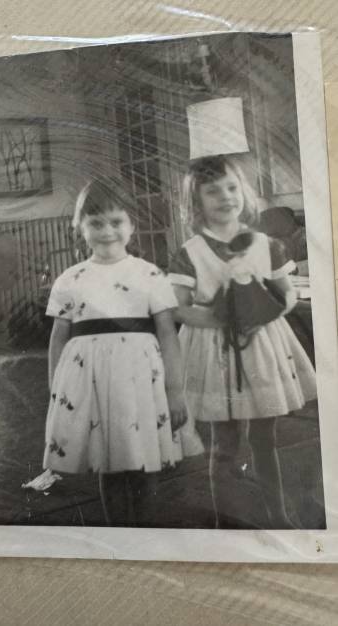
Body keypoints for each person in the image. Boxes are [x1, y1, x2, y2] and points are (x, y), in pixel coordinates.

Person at [43, 178, 203, 527]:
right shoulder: (70, 279)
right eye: (96, 223)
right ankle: (118, 533)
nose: (107, 231)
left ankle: (145, 531)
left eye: (116, 222)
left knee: (146, 461)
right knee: (110, 462)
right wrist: (57, 389)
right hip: (92, 384)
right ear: (80, 227)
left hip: (141, 382)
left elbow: (167, 334)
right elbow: (59, 337)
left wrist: (175, 390)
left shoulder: (149, 274)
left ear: (132, 225)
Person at [168, 155, 316, 529]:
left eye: (232, 188)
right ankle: (225, 522)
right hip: (216, 354)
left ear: (244, 192)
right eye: (212, 191)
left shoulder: (266, 245)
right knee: (224, 443)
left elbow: (287, 294)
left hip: (261, 348)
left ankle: (277, 515)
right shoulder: (190, 253)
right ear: (195, 202)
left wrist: (263, 309)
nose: (225, 197)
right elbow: (178, 308)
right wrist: (219, 317)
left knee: (265, 437)